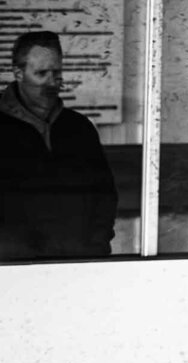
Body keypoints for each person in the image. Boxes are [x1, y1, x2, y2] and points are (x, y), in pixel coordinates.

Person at [0, 31, 117, 260]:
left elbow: (105, 195)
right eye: (42, 73)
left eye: (57, 72)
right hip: (13, 269)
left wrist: (96, 248)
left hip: (78, 263)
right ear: (18, 74)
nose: (52, 82)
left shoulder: (79, 127)